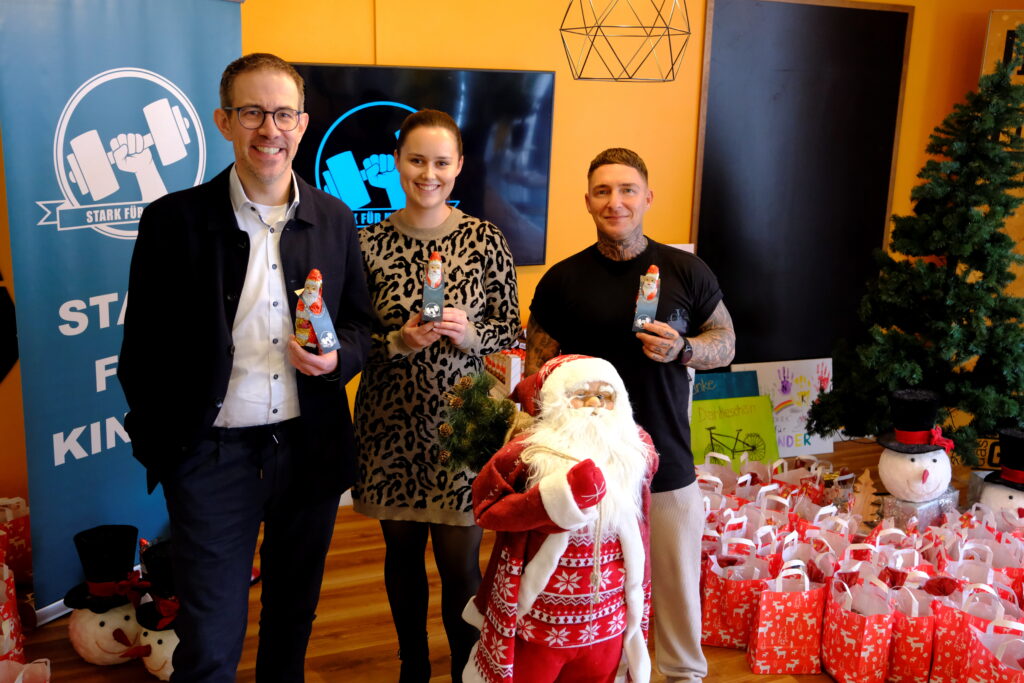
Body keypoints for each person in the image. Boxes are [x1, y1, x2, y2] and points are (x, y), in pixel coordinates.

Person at [118, 53, 372, 682]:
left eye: (283, 113)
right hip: (211, 457)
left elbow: (364, 328)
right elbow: (140, 352)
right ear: (223, 121)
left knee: (291, 621)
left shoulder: (336, 220)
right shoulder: (172, 222)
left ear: (304, 122)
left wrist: (339, 360)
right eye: (253, 112)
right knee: (209, 639)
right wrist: (168, 448)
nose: (270, 129)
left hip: (308, 451)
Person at [526, 148, 736, 683]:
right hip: (587, 470)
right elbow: (536, 370)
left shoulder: (686, 270)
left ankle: (683, 673)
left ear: (647, 197)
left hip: (666, 460)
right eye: (602, 191)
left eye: (625, 190)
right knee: (598, 590)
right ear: (588, 201)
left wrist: (684, 349)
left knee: (676, 583)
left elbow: (726, 342)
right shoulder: (562, 281)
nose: (614, 201)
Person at [353, 109, 521, 682]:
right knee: (400, 560)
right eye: (416, 160)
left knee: (461, 568)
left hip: (464, 429)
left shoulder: (486, 238)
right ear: (397, 163)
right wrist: (397, 340)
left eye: (441, 162)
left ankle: (466, 670)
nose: (429, 173)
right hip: (389, 429)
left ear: (459, 167)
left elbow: (511, 333)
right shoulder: (366, 242)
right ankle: (412, 666)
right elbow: (346, 342)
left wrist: (473, 335)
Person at [464, 354, 658, 683]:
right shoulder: (530, 452)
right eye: (582, 394)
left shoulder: (636, 450)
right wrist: (552, 501)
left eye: (606, 395)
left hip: (607, 616)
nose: (595, 403)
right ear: (557, 400)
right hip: (541, 615)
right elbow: (486, 507)